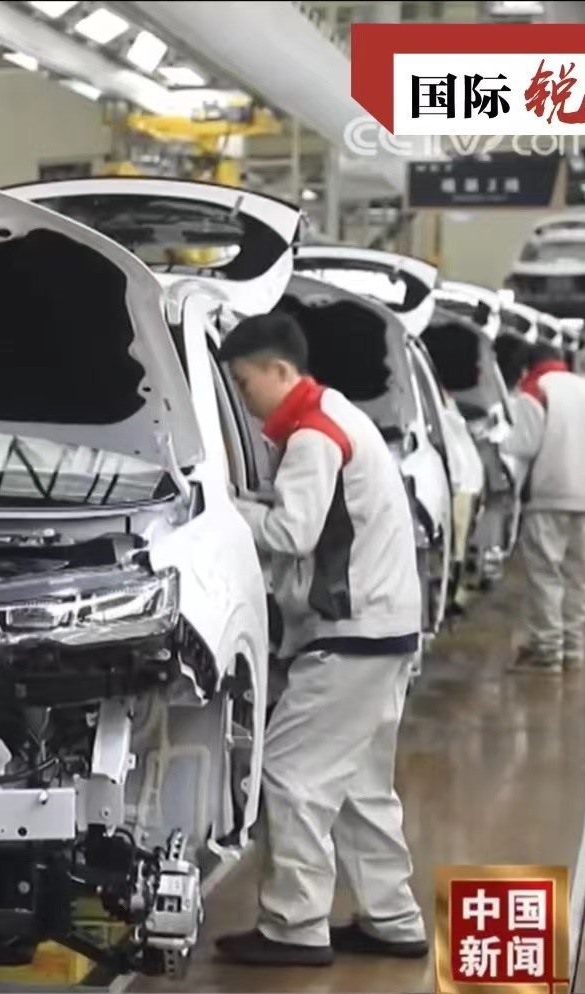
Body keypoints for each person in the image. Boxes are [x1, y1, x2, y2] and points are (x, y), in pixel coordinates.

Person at [212, 313, 427, 967]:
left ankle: (294, 926)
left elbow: (291, 533)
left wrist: (220, 506)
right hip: (385, 628)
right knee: (360, 786)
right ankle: (392, 919)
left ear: (279, 369)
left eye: (244, 383)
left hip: (353, 634)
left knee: (290, 773)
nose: (243, 399)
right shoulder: (335, 416)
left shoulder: (313, 432)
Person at [504, 341, 585, 672]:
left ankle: (547, 650)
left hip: (547, 494)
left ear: (528, 365)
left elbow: (523, 446)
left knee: (546, 575)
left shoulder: (534, 391)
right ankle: (573, 646)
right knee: (577, 575)